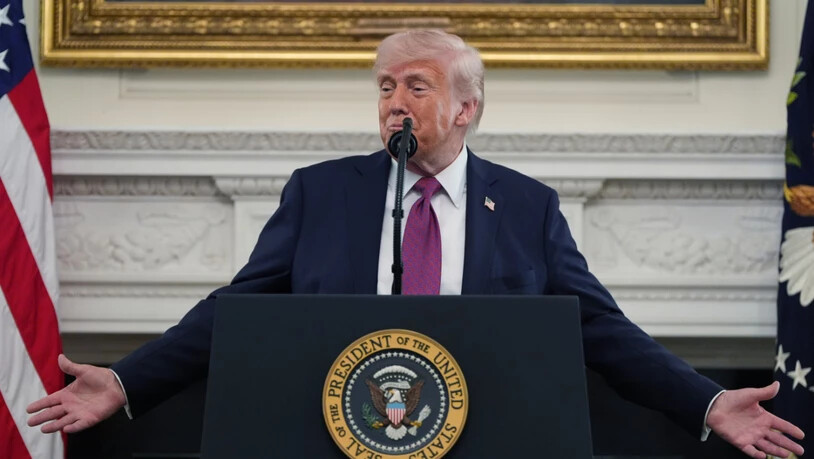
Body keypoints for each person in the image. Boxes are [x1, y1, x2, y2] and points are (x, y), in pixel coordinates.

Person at [28, 30, 804, 458]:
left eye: (416, 86)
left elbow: (599, 328)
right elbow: (230, 311)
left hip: (486, 443)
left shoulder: (526, 207)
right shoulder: (322, 192)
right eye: (384, 87)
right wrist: (126, 381)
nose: (394, 102)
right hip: (337, 441)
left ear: (467, 108)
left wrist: (706, 399)